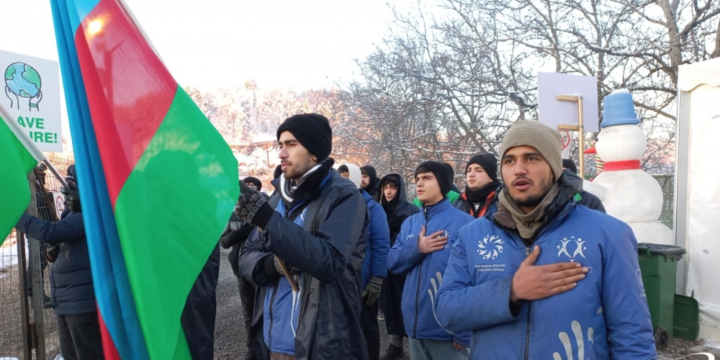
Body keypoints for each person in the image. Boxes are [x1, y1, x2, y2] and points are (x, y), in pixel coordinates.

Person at [435, 121, 656, 359]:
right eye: (509, 160)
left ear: (554, 166)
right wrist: (511, 292)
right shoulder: (472, 235)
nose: (519, 169)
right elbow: (446, 310)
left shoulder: (608, 234)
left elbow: (632, 336)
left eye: (532, 158)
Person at [237, 113, 369, 360]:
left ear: (315, 152)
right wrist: (270, 265)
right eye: (280, 145)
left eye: (291, 144)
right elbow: (246, 255)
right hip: (271, 341)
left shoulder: (345, 196)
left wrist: (268, 221)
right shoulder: (277, 198)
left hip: (317, 344)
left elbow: (329, 261)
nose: (281, 153)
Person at [15, 165, 104, 360]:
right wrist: (54, 254)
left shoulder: (93, 208)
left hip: (83, 302)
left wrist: (16, 215)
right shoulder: (77, 210)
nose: (66, 185)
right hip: (67, 300)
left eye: (71, 180)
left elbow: (51, 232)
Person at [387, 161, 473, 360]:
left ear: (442, 183)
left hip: (448, 331)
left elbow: (474, 279)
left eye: (426, 178)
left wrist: (464, 331)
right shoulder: (410, 223)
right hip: (414, 328)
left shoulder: (466, 224)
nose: (419, 183)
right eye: (417, 179)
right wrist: (417, 248)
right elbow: (392, 263)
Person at [219, 177, 271, 360]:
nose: (248, 190)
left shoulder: (267, 213)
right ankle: (253, 351)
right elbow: (224, 242)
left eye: (253, 188)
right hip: (240, 271)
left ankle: (268, 350)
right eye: (246, 187)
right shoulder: (235, 215)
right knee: (248, 313)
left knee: (264, 312)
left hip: (259, 271)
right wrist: (243, 231)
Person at [344, 163, 391, 360]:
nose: (344, 179)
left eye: (348, 175)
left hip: (364, 281)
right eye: (341, 175)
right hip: (339, 279)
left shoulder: (373, 208)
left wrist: (377, 278)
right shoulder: (332, 204)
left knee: (368, 326)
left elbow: (381, 245)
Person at [378, 174, 420, 360]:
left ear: (400, 189)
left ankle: (414, 346)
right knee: (389, 305)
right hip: (385, 264)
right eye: (385, 187)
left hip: (405, 265)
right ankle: (395, 345)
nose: (388, 191)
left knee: (407, 304)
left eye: (392, 187)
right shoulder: (379, 211)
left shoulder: (411, 211)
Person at [453, 154, 500, 218]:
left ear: (491, 177)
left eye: (478, 171)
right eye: (468, 171)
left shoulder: (502, 201)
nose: (471, 174)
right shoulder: (458, 202)